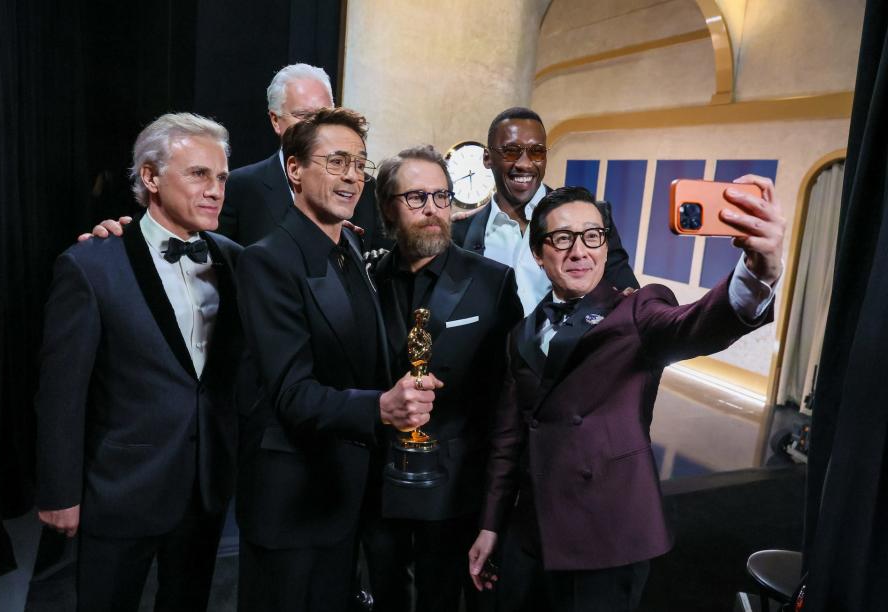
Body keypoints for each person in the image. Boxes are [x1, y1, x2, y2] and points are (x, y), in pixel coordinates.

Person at [467, 179, 785, 612]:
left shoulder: (636, 311)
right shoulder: (520, 333)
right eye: (562, 239)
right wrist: (490, 526)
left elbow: (697, 323)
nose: (579, 251)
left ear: (604, 245)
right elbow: (508, 441)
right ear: (539, 255)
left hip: (607, 534)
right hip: (532, 532)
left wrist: (758, 271)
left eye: (592, 236)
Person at [34, 113, 243, 611]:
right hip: (120, 489)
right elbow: (61, 393)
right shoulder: (91, 264)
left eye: (221, 178)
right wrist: (59, 491)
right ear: (150, 177)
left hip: (205, 486)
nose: (215, 189)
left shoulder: (237, 260)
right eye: (198, 174)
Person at [235, 108, 441, 612]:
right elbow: (292, 394)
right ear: (294, 170)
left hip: (347, 496)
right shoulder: (268, 260)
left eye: (359, 164)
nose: (352, 176)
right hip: (293, 502)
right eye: (337, 161)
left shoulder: (349, 242)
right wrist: (381, 408)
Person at [363, 145, 523, 612]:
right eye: (416, 198)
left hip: (455, 487)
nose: (433, 209)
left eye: (441, 196)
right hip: (379, 484)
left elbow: (505, 399)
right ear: (388, 208)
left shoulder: (493, 282)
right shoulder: (367, 276)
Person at [452, 107, 637, 313]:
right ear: (487, 158)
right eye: (511, 151)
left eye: (536, 151)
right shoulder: (459, 232)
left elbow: (628, 300)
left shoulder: (594, 219)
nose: (524, 164)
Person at [219, 63, 388, 250]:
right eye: (303, 115)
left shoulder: (364, 187)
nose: (315, 126)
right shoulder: (241, 186)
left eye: (323, 115)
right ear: (275, 120)